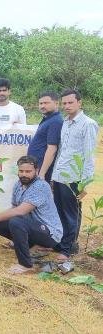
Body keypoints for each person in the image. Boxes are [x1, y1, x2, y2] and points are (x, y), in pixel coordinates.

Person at [0, 156, 63, 274]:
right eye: (21, 171)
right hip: (32, 227)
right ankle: (29, 246)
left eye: (28, 171)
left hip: (50, 233)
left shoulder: (41, 186)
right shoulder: (18, 185)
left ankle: (26, 265)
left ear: (36, 171)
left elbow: (20, 211)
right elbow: (14, 208)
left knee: (16, 221)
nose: (24, 174)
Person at [51, 89, 99, 260]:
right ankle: (60, 243)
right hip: (60, 176)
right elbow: (62, 151)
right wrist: (54, 177)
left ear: (80, 102)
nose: (67, 106)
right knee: (59, 211)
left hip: (74, 178)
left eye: (70, 102)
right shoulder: (65, 122)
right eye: (64, 103)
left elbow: (88, 155)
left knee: (72, 213)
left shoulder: (88, 124)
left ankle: (68, 248)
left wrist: (84, 184)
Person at [27, 91, 63, 182]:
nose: (42, 106)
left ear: (56, 103)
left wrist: (42, 173)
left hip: (42, 171)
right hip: (36, 167)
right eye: (40, 103)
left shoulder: (55, 122)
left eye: (46, 103)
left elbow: (52, 149)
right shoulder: (48, 119)